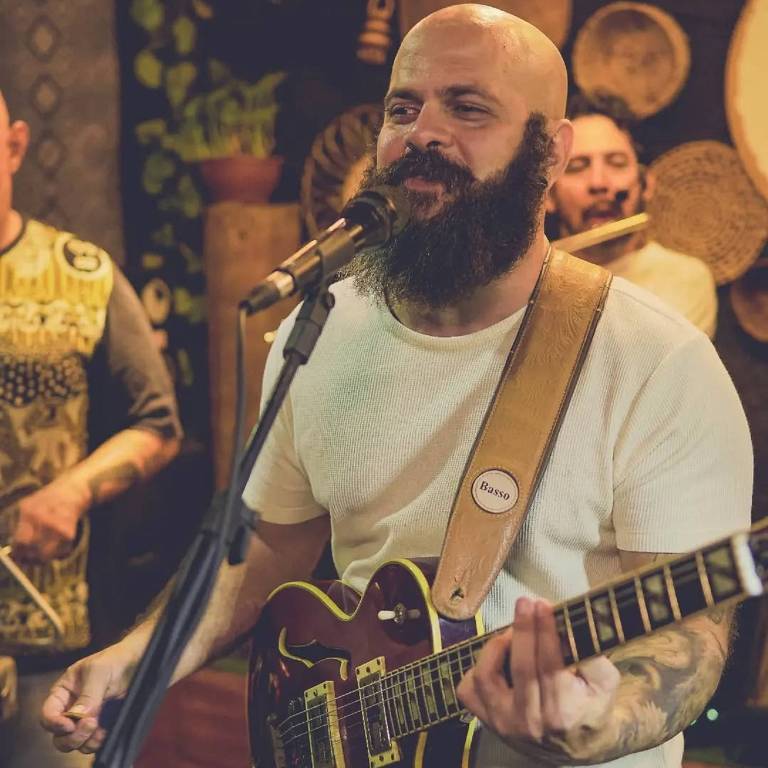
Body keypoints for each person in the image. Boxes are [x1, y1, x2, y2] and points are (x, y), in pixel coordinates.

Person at [41, 6, 752, 767]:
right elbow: (269, 545)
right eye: (402, 108)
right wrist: (142, 657)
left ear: (550, 151)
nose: (422, 132)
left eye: (468, 107)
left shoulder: (655, 360)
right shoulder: (320, 328)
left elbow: (692, 633)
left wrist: (595, 716)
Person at [0, 89, 183, 767]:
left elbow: (158, 424)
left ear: (15, 145)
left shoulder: (83, 275)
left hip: (55, 646)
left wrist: (71, 492)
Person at [547, 92, 718, 338]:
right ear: (549, 195)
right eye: (577, 167)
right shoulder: (529, 284)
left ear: (646, 184)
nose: (599, 182)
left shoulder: (683, 279)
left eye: (616, 163)